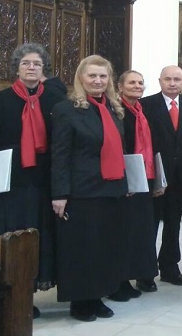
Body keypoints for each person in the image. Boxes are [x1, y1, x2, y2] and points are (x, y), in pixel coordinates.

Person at [51, 55, 127, 321]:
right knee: (82, 249)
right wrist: (59, 194)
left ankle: (97, 296)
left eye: (103, 76)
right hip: (82, 191)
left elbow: (119, 149)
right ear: (81, 78)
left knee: (105, 247)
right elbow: (60, 155)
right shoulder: (66, 109)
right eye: (92, 76)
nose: (98, 81)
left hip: (111, 189)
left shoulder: (113, 108)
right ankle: (80, 301)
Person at [0, 43, 65, 318]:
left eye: (36, 63)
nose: (32, 67)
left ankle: (30, 293)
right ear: (18, 67)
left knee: (38, 233)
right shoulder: (1, 100)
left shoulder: (55, 100)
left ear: (43, 68)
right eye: (26, 63)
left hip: (43, 179)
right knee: (11, 233)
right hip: (11, 182)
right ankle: (7, 292)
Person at [140, 66, 182, 289]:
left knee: (174, 223)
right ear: (160, 81)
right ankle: (145, 272)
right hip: (154, 174)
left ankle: (169, 268)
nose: (172, 83)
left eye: (177, 79)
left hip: (180, 176)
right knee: (151, 224)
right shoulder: (146, 105)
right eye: (168, 79)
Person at [109, 70, 160, 302]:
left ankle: (134, 275)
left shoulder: (143, 111)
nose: (137, 86)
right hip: (125, 178)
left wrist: (158, 179)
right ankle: (119, 279)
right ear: (120, 87)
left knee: (141, 229)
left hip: (144, 177)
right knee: (122, 231)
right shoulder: (116, 112)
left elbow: (153, 145)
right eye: (132, 82)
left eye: (140, 82)